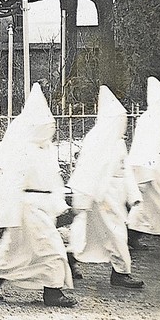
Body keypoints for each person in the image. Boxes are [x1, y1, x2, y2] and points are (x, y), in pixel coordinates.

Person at [0, 84, 77, 307]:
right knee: (51, 249)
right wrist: (8, 215)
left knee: (16, 251)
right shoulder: (24, 150)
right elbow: (12, 182)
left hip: (40, 206)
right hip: (28, 207)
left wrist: (58, 205)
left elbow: (54, 181)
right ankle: (53, 292)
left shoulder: (46, 150)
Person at [66, 86, 144, 288]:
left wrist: (133, 195)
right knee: (116, 234)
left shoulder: (117, 143)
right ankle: (121, 272)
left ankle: (71, 257)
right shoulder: (96, 139)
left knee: (91, 235)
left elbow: (125, 170)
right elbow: (85, 170)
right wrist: (82, 200)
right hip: (100, 196)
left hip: (114, 196)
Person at [126, 77, 160, 251]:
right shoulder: (149, 120)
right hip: (154, 170)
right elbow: (141, 148)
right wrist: (143, 173)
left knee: (147, 208)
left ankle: (132, 235)